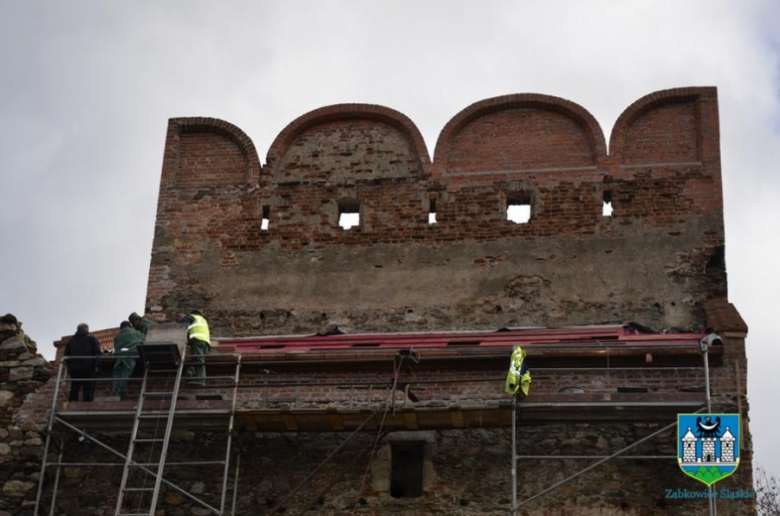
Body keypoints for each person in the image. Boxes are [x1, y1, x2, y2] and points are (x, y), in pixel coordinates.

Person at [63, 323, 101, 401]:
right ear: (86, 329)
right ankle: (87, 402)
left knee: (75, 386)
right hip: (88, 367)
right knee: (88, 386)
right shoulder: (91, 339)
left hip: (75, 368)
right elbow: (97, 353)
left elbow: (66, 355)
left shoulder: (71, 341)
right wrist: (97, 366)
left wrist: (70, 367)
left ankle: (73, 402)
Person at [110, 320, 145, 399]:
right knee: (125, 373)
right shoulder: (137, 333)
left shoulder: (117, 336)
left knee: (116, 374)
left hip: (119, 356)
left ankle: (113, 392)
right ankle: (120, 393)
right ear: (130, 326)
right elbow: (144, 340)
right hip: (130, 355)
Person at [181, 309, 211, 387]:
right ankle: (194, 375)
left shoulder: (193, 317)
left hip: (197, 340)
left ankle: (199, 379)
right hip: (205, 343)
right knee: (199, 359)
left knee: (198, 359)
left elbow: (183, 325)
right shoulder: (203, 320)